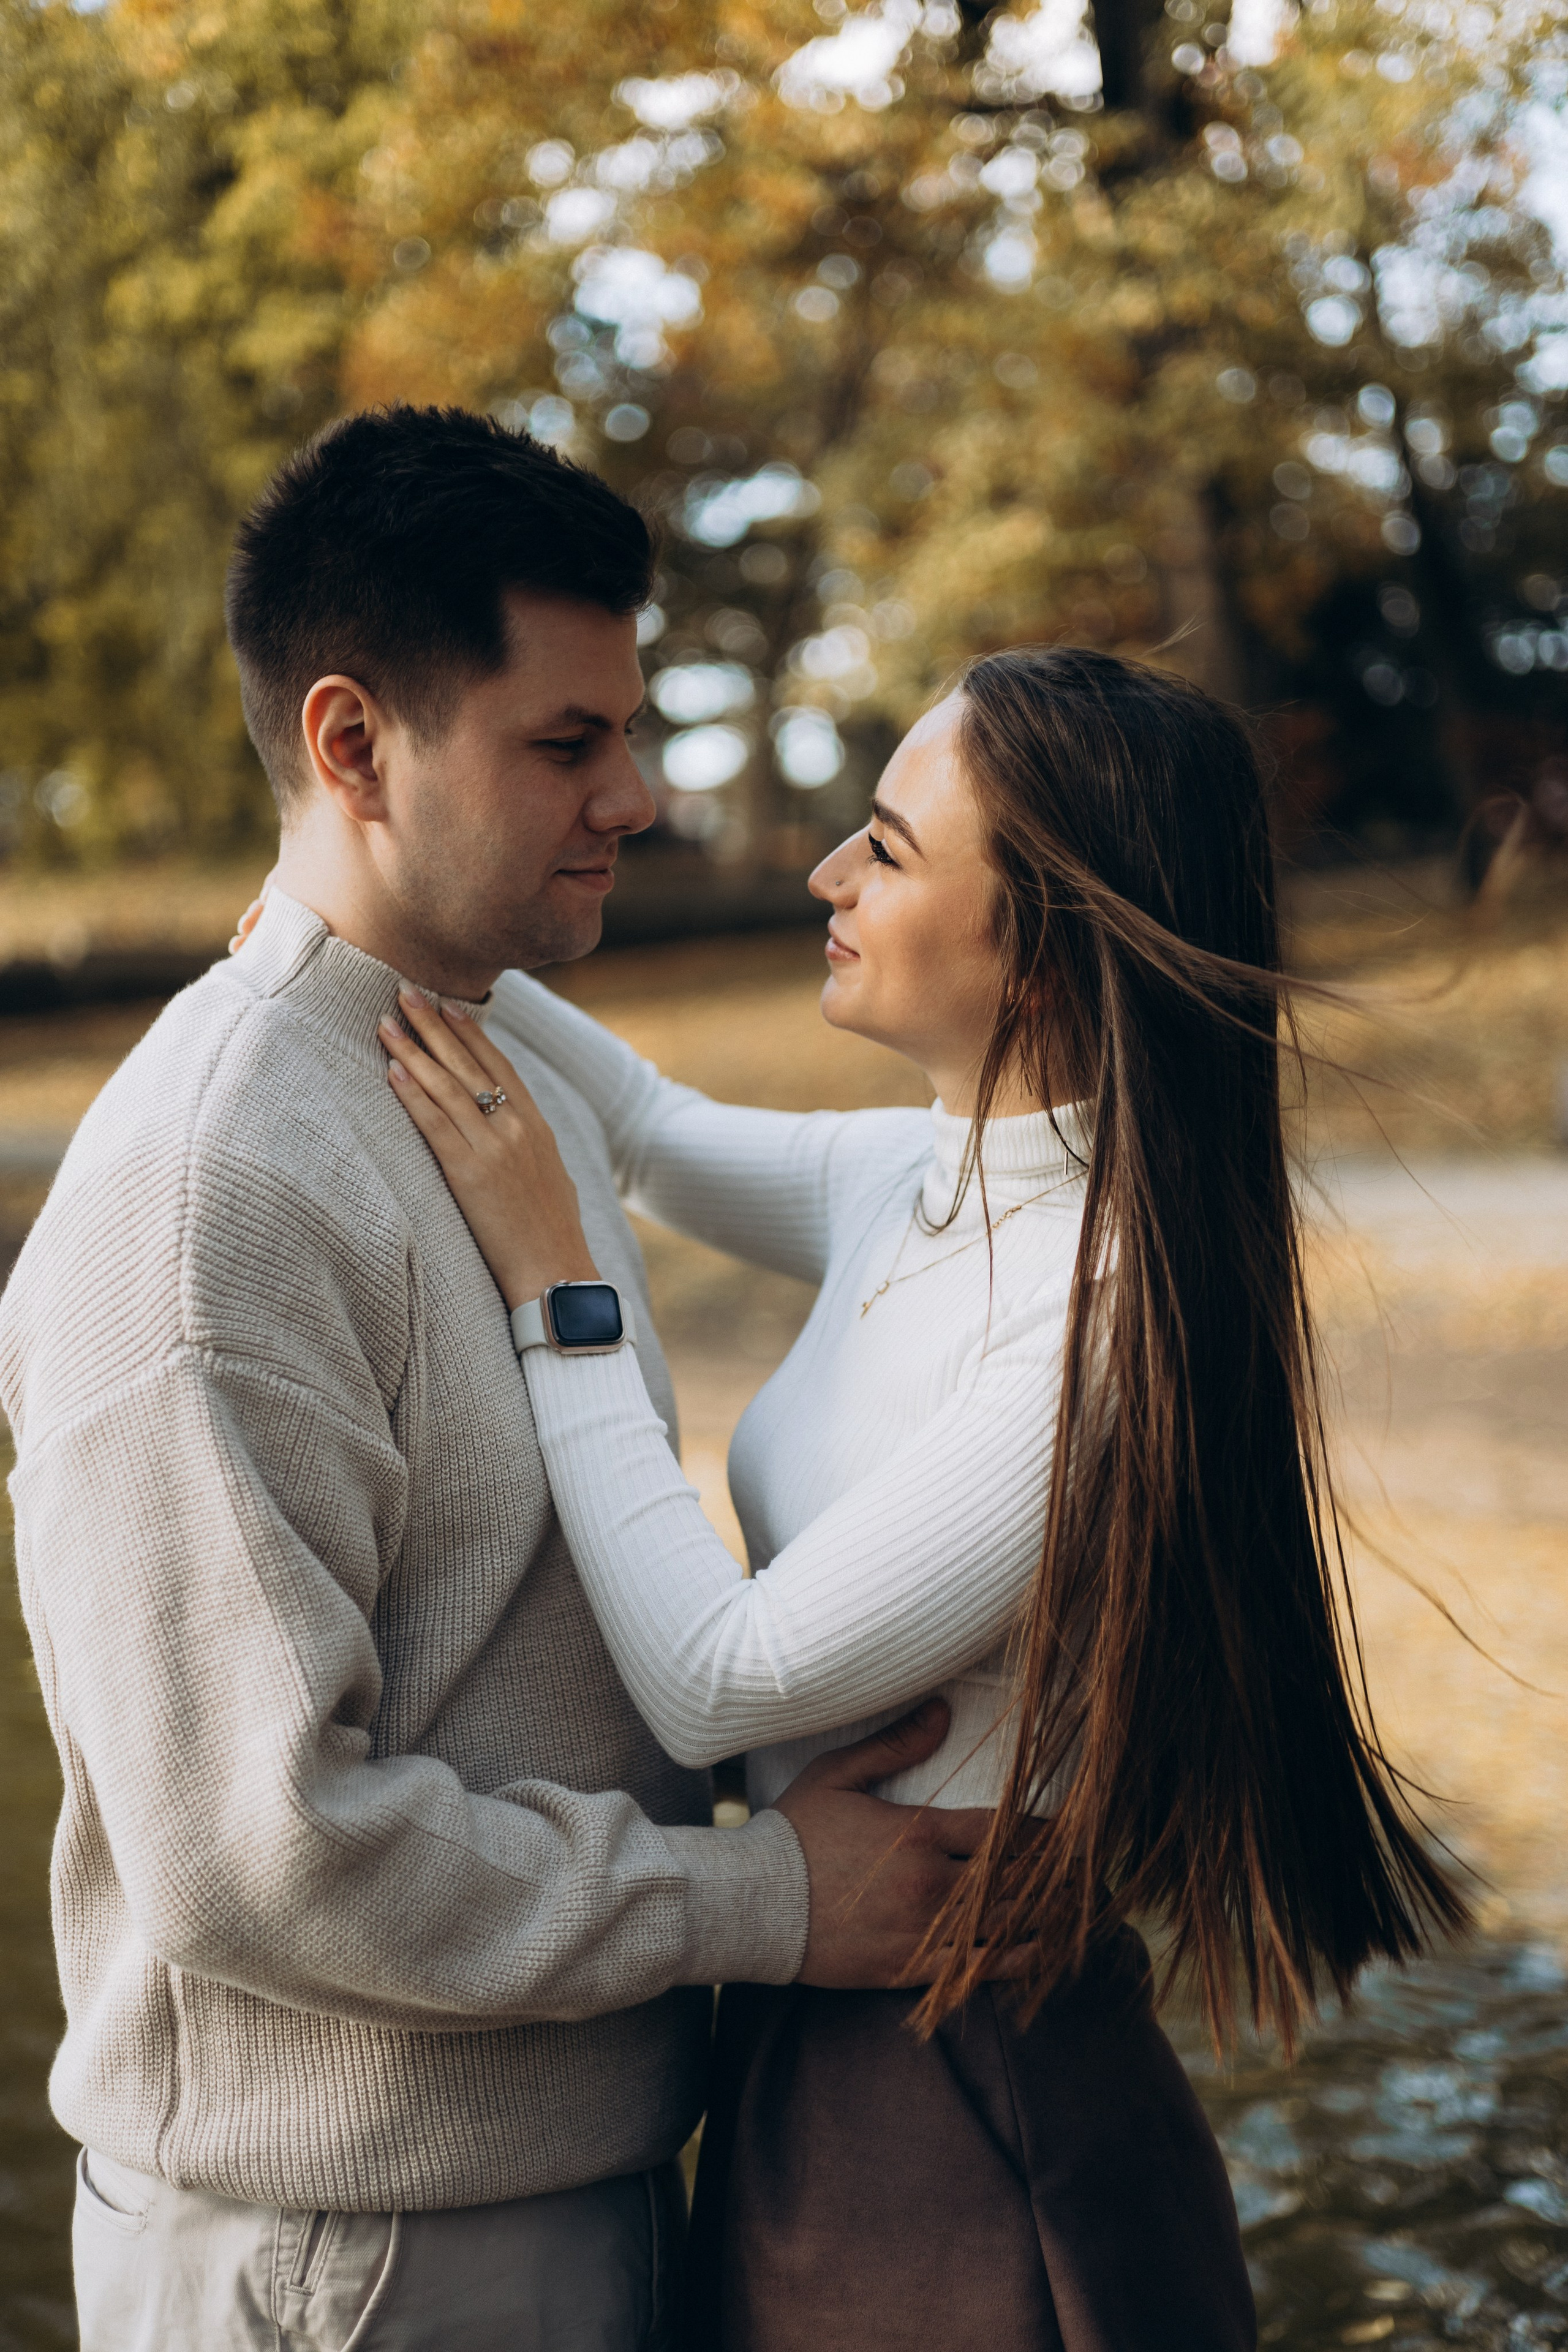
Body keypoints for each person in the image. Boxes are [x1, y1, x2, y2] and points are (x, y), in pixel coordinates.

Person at [0, 407, 999, 2352]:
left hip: (576, 2175)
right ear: (352, 745)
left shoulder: (499, 1064)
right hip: (346, 2252)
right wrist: (767, 1904)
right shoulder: (209, 1193)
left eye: (632, 730)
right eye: (568, 744)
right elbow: (259, 1856)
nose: (639, 795)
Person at [381, 643, 1469, 2352]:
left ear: (1034, 951)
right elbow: (655, 1128)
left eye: (884, 849)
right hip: (821, 2033)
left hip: (965, 2106)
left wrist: (560, 1295)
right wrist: (371, 920)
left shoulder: (1099, 1318)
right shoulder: (927, 1169)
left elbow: (715, 1678)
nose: (826, 873)